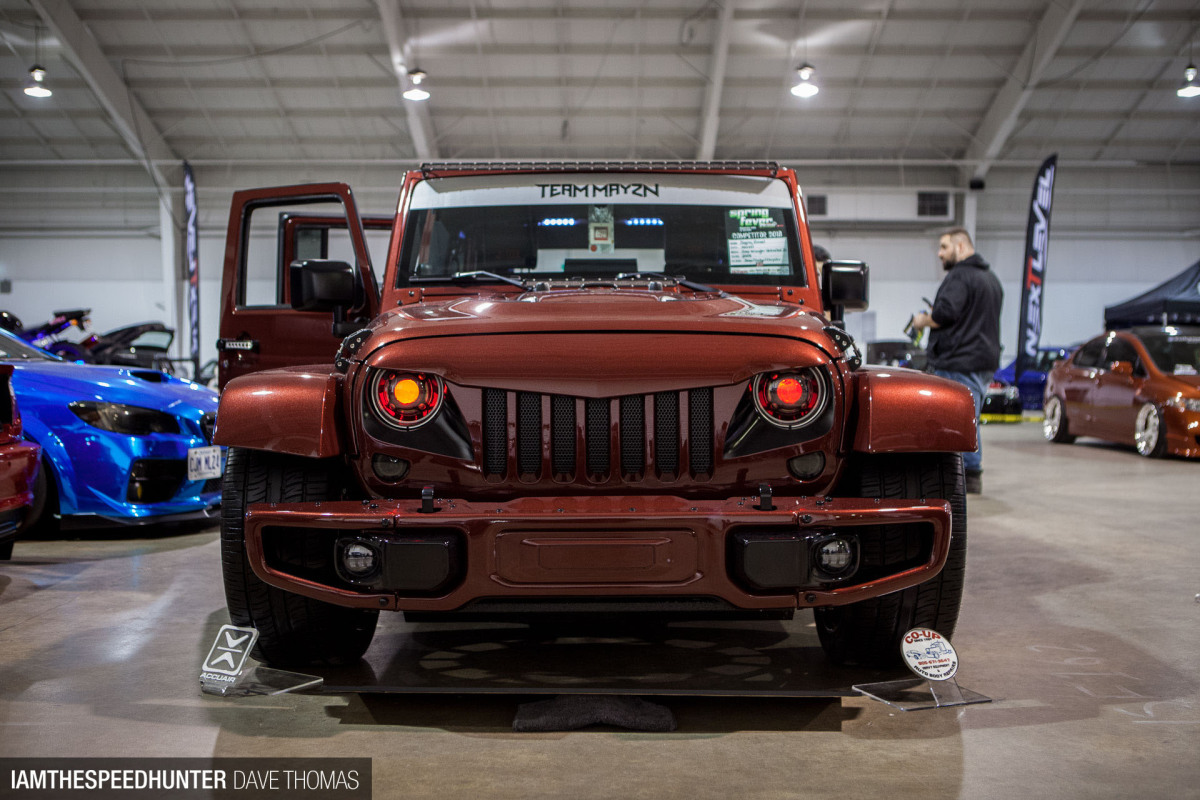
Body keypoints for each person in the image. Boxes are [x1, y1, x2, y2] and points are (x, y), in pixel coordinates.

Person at [909, 227, 1003, 494]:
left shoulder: (960, 276)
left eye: (944, 247)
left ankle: (964, 477)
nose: (940, 254)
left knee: (956, 421)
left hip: (958, 362)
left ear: (960, 247)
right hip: (983, 362)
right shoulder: (991, 279)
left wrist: (922, 320)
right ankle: (970, 476)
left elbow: (946, 313)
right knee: (970, 417)